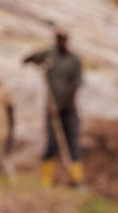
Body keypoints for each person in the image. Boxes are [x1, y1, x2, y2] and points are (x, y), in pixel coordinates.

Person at [23, 30, 83, 188]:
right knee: (52, 142)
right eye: (58, 40)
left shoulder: (74, 60)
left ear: (67, 41)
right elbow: (30, 58)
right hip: (51, 107)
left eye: (63, 40)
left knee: (72, 141)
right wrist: (33, 60)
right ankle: (46, 180)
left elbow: (74, 88)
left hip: (68, 108)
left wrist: (60, 106)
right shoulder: (50, 55)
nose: (60, 43)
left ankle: (76, 178)